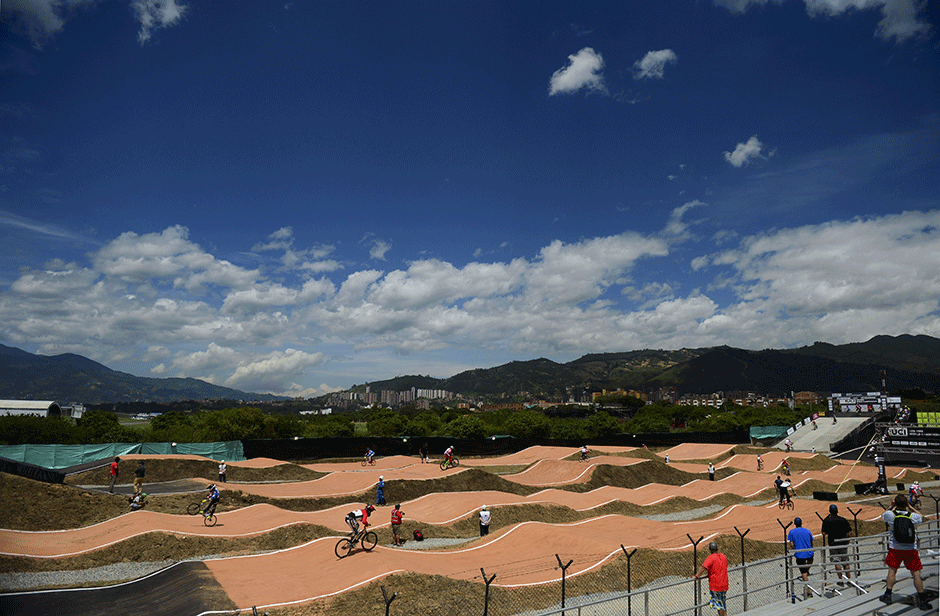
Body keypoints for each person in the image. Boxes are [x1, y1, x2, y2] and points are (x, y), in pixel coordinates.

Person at [880, 494, 931, 610]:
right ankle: (922, 598)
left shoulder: (891, 515)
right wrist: (910, 507)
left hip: (895, 547)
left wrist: (891, 506)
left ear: (895, 504)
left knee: (892, 571)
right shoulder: (913, 516)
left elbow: (883, 515)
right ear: (906, 504)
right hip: (910, 548)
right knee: (915, 573)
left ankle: (888, 594)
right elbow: (921, 516)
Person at [694, 541, 728, 616]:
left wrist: (696, 575)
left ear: (709, 550)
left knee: (719, 605)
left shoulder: (711, 558)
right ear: (717, 549)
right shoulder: (723, 556)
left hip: (716, 586)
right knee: (723, 603)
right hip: (724, 584)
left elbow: (703, 567)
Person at [821, 504, 853, 584]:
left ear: (829, 511)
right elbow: (849, 532)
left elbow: (824, 533)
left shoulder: (827, 521)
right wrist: (847, 541)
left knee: (837, 562)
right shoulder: (843, 520)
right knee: (845, 562)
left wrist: (825, 520)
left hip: (833, 544)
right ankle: (849, 580)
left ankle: (841, 580)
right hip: (843, 543)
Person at [788, 517, 814, 584]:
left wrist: (795, 549)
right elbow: (811, 542)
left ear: (794, 524)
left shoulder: (792, 532)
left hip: (799, 555)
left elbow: (791, 544)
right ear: (801, 523)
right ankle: (807, 570)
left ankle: (808, 591)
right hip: (809, 553)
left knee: (803, 573)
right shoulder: (808, 531)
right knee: (810, 560)